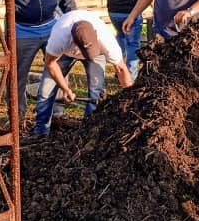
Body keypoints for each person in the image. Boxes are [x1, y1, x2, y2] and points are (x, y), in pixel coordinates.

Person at [30, 10, 134, 138]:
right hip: (65, 54)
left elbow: (121, 68)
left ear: (95, 34)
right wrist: (65, 88)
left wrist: (130, 97)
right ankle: (41, 132)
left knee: (97, 93)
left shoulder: (105, 39)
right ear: (73, 42)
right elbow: (50, 63)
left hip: (98, 52)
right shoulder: (60, 36)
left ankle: (90, 131)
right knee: (46, 90)